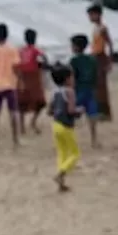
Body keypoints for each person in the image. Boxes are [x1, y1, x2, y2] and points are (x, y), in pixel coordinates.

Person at [49, 64, 82, 192]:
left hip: (55, 125)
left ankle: (61, 183)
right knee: (74, 154)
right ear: (67, 79)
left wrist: (58, 110)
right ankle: (60, 174)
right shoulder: (70, 92)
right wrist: (79, 111)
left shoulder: (55, 92)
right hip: (66, 126)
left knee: (62, 153)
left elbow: (49, 110)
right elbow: (71, 110)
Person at [0, 23, 21, 146]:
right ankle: (15, 139)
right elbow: (16, 66)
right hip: (10, 83)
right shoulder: (12, 49)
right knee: (13, 112)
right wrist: (18, 79)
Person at [69, 34, 101, 149]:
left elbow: (73, 77)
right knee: (92, 115)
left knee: (71, 114)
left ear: (76, 47)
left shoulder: (74, 60)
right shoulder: (92, 59)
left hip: (79, 89)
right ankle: (94, 140)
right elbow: (96, 75)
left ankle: (70, 139)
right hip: (90, 89)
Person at [17, 29, 48, 135]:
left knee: (23, 103)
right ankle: (32, 122)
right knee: (39, 102)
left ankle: (22, 128)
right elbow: (44, 61)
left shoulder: (21, 51)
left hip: (23, 77)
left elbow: (17, 64)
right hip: (33, 78)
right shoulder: (36, 51)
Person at [88, 4, 114, 122]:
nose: (90, 17)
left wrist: (109, 61)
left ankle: (105, 112)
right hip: (95, 57)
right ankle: (100, 111)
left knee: (101, 86)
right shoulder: (95, 28)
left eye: (91, 14)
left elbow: (109, 44)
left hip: (101, 57)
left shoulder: (103, 28)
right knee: (97, 86)